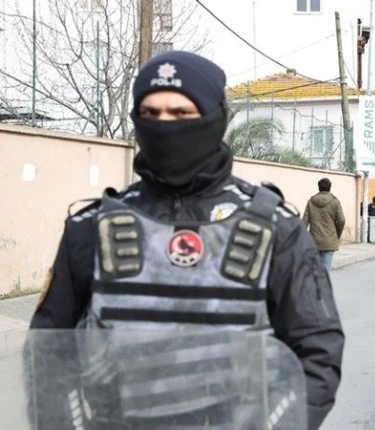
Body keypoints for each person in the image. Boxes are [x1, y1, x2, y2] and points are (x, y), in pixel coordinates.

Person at [27, 51, 344, 430]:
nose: (164, 125)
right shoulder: (91, 228)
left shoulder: (275, 229)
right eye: (150, 113)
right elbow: (48, 357)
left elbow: (317, 353)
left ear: (216, 118)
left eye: (180, 114)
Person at [303, 177, 346, 271]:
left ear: (318, 187)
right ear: (330, 188)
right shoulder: (335, 202)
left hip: (314, 241)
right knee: (325, 272)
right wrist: (337, 234)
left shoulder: (311, 202)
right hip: (329, 241)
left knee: (314, 271)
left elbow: (304, 222)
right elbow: (341, 220)